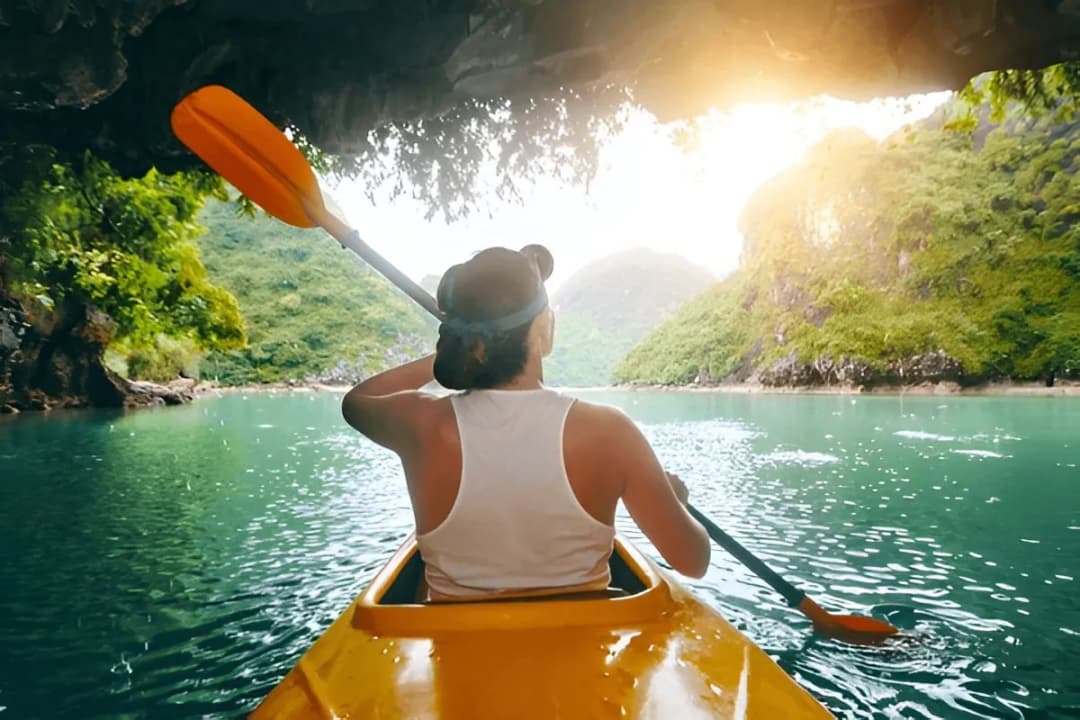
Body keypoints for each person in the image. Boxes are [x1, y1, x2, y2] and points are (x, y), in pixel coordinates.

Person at [342, 245, 710, 601]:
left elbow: (356, 401)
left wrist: (458, 346)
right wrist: (676, 503)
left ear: (463, 340)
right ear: (542, 328)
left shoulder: (422, 425)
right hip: (583, 641)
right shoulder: (609, 432)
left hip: (458, 639)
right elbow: (693, 561)